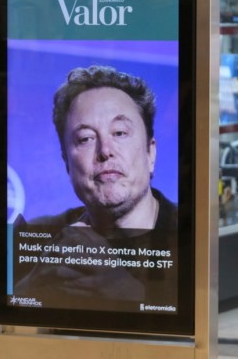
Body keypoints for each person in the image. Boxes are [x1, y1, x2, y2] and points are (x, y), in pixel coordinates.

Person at [13, 65, 177, 308]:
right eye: (86, 138)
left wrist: (128, 292)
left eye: (120, 133)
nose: (105, 151)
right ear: (66, 162)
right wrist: (33, 284)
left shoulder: (192, 234)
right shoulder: (39, 234)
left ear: (150, 152)